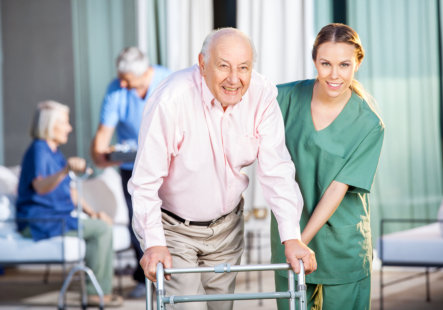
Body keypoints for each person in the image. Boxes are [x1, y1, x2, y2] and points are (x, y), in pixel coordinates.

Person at [128, 27, 317, 310]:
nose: (234, 79)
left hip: (228, 228)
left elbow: (277, 170)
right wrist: (154, 242)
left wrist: (292, 237)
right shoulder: (171, 99)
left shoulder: (262, 94)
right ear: (203, 64)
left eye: (243, 68)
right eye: (223, 66)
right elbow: (144, 181)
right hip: (175, 230)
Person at [271, 23, 385, 310]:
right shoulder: (282, 98)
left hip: (341, 244)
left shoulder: (369, 124)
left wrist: (299, 241)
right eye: (326, 63)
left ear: (358, 63)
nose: (335, 75)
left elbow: (337, 188)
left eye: (344, 64)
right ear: (314, 62)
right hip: (290, 237)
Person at [16, 100, 122, 306]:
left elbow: (71, 192)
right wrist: (65, 171)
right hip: (40, 222)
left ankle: (96, 289)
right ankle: (95, 294)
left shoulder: (54, 153)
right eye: (65, 122)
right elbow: (40, 187)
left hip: (57, 219)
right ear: (49, 124)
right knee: (101, 230)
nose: (70, 128)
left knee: (100, 224)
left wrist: (93, 213)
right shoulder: (39, 150)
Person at [90, 46, 171, 298]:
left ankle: (173, 275)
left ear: (146, 71)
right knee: (140, 223)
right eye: (120, 78)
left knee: (170, 219)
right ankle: (144, 278)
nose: (123, 84)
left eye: (128, 79)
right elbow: (100, 146)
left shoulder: (167, 81)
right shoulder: (116, 89)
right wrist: (108, 154)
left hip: (168, 165)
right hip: (133, 167)